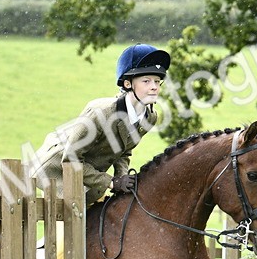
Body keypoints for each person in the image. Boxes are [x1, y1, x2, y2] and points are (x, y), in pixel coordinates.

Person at [31, 43, 170, 205]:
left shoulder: (149, 117)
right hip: (57, 172)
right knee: (74, 223)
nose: (154, 87)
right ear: (127, 84)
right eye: (146, 81)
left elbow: (124, 151)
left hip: (86, 175)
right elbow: (70, 160)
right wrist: (111, 182)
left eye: (157, 81)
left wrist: (122, 176)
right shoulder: (100, 112)